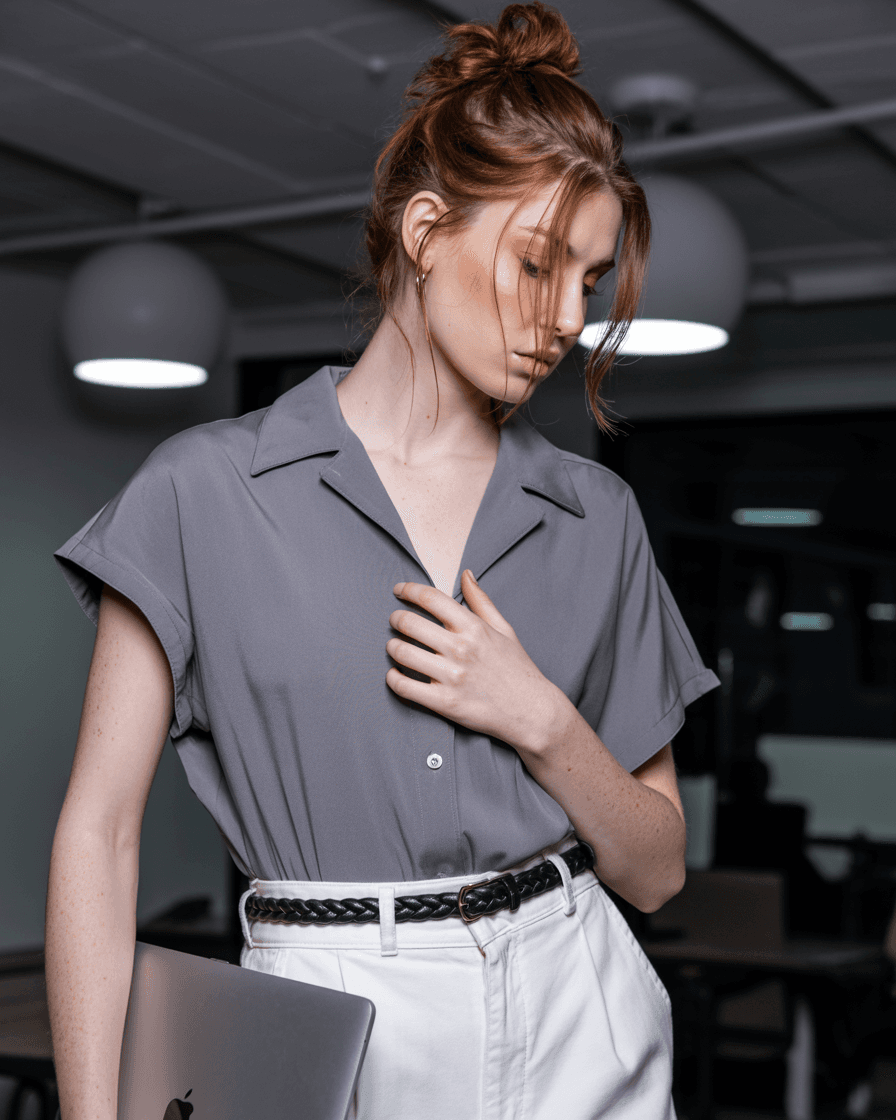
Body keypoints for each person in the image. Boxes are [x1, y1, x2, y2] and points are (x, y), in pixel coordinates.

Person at [44, 4, 721, 1118]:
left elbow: (655, 870)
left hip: (575, 997)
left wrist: (541, 720)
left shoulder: (594, 513)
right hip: (333, 1016)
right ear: (422, 231)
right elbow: (98, 834)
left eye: (587, 284)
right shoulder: (202, 491)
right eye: (537, 263)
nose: (562, 319)